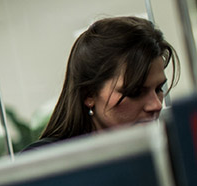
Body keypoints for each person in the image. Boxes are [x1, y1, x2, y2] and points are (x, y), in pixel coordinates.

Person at [25, 16, 179, 150]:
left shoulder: (162, 152)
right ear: (89, 94)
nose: (156, 105)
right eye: (135, 92)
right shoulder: (46, 160)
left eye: (158, 89)